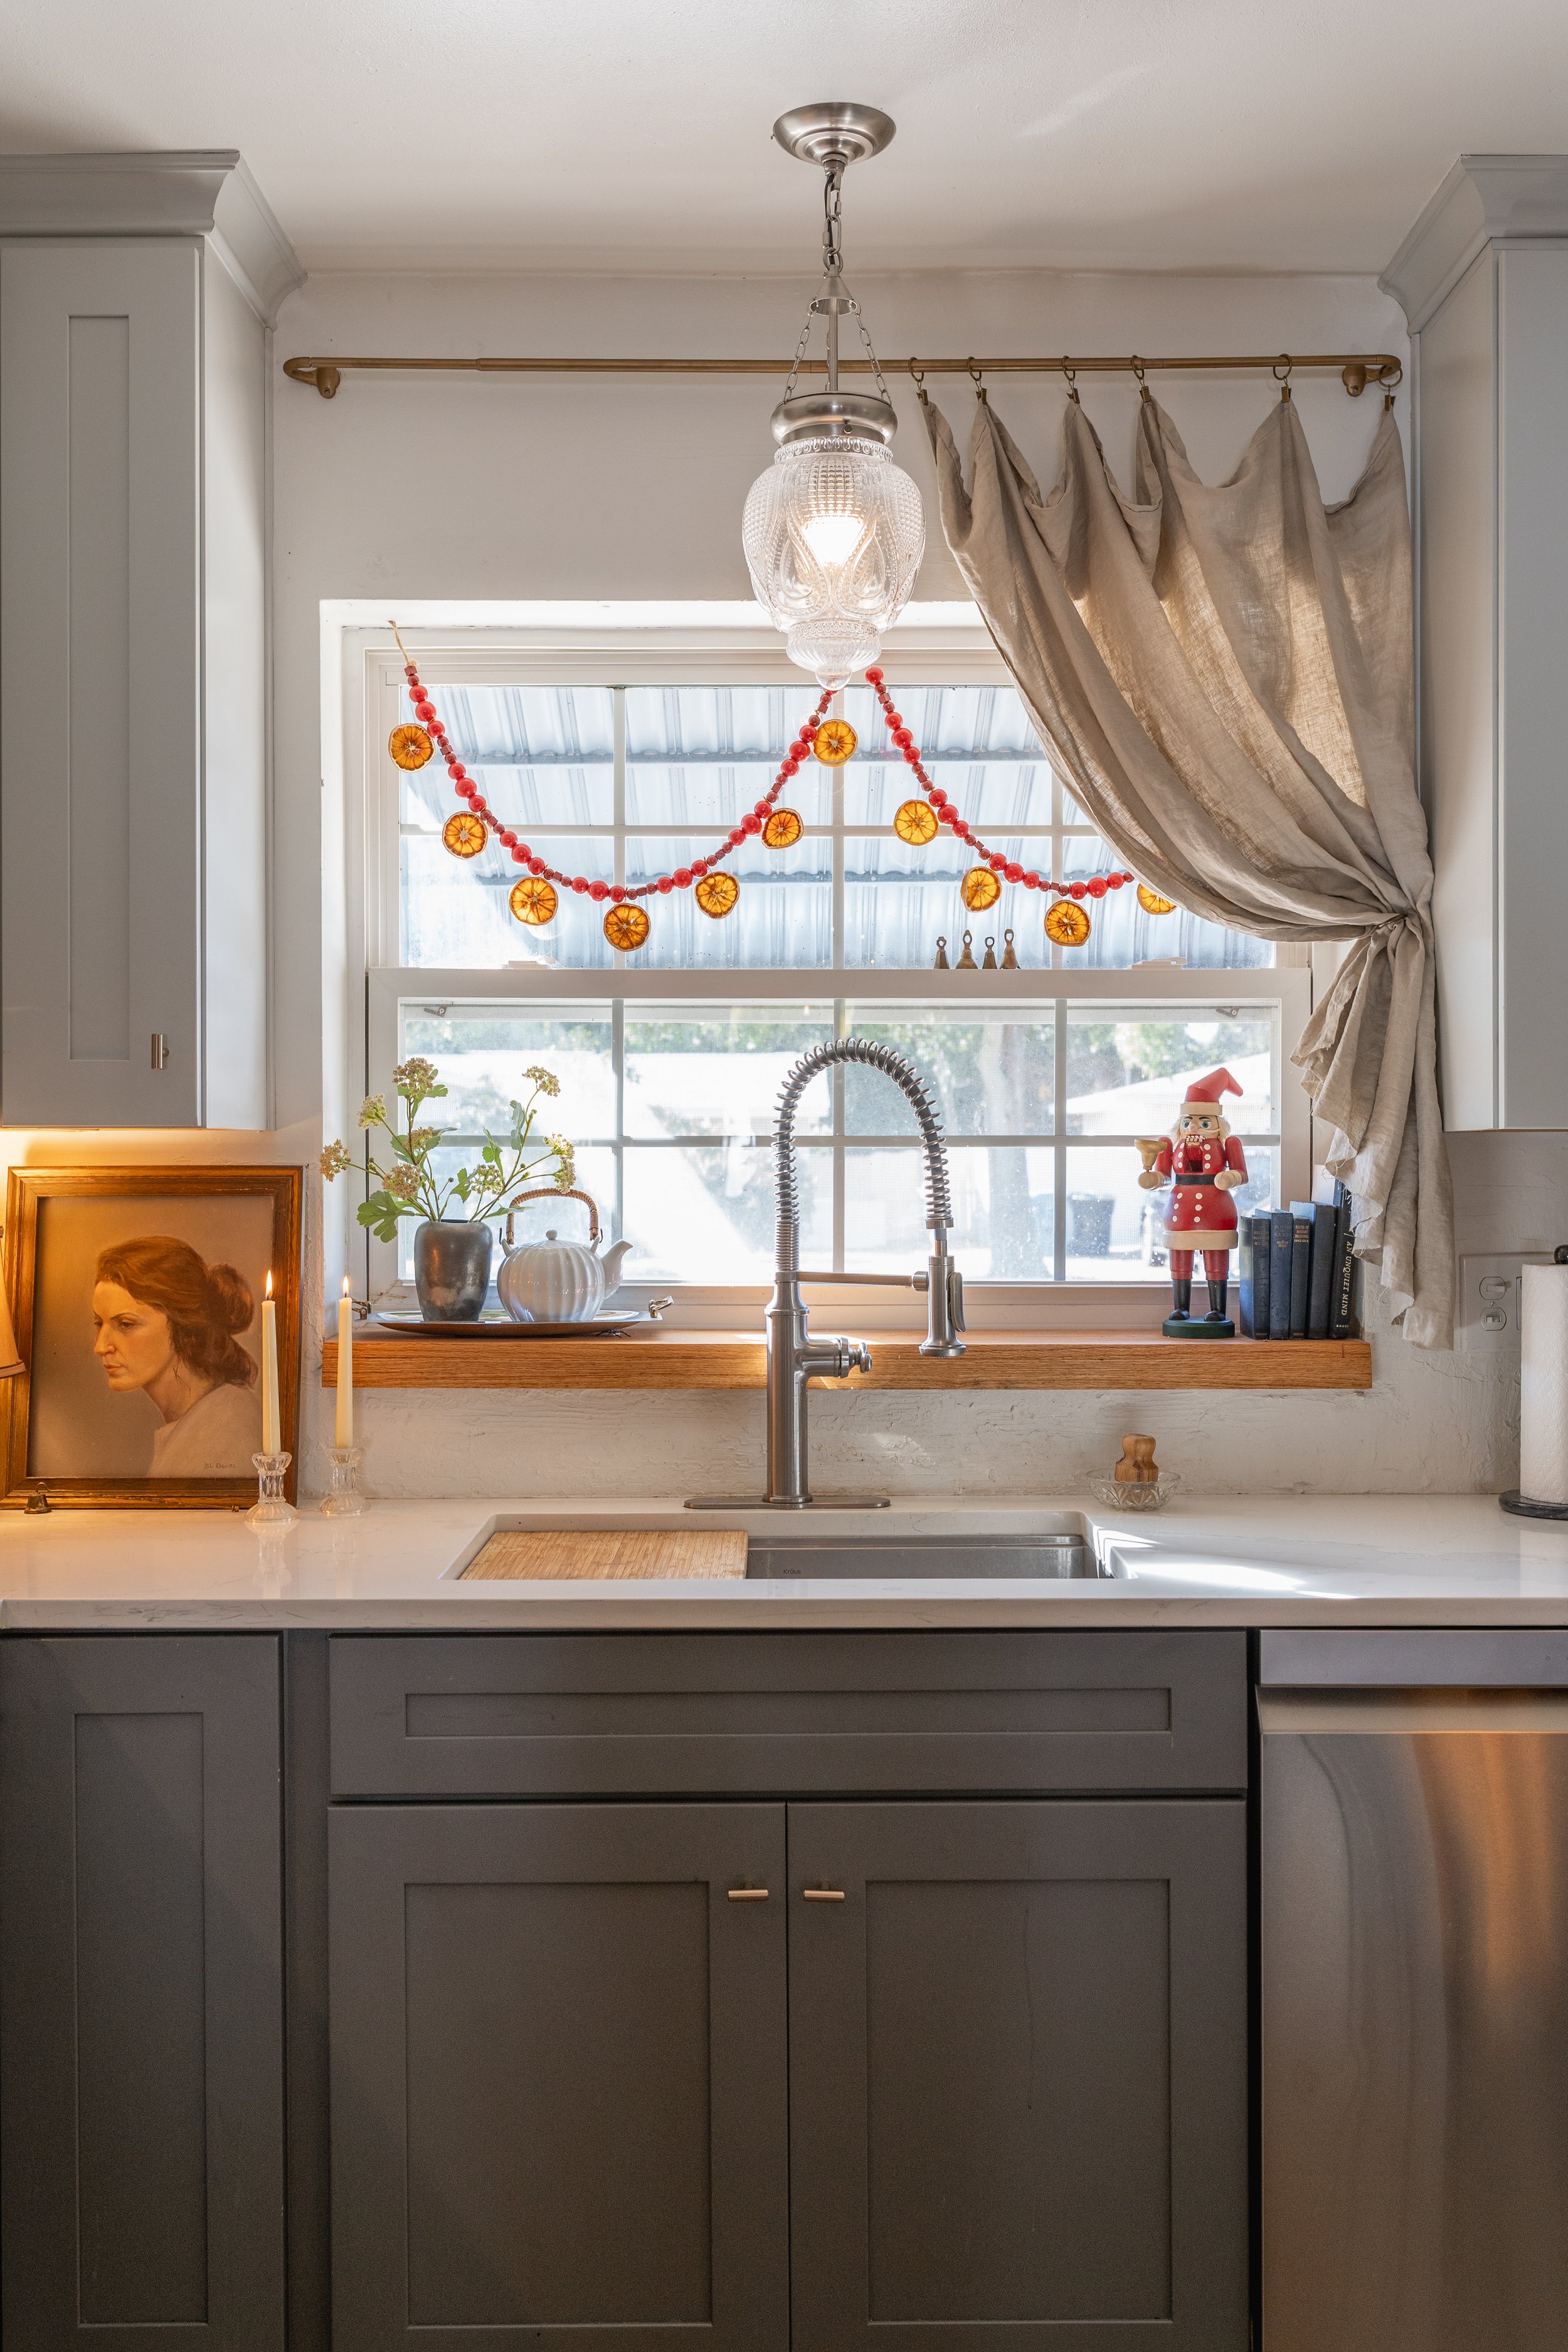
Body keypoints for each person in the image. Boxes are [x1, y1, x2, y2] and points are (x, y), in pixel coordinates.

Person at [92, 1237, 264, 1474]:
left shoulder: (225, 1428)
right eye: (99, 1323)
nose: (101, 1346)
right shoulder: (197, 1420)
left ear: (181, 1322)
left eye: (125, 1324)